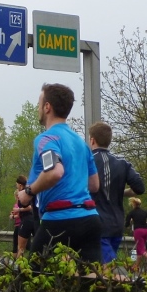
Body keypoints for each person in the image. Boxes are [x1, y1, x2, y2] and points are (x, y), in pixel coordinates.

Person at [17, 83, 102, 267]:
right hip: (90, 218)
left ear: (47, 107)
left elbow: (55, 171)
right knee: (90, 280)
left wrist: (28, 192)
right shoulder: (81, 142)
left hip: (59, 219)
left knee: (31, 277)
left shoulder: (47, 139)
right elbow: (94, 185)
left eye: (39, 103)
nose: (38, 108)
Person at [89, 121, 145, 265]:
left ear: (92, 140)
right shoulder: (122, 164)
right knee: (103, 269)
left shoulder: (88, 161)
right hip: (117, 224)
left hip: (97, 224)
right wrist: (119, 191)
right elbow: (139, 188)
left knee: (108, 269)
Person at [12, 175, 37, 258]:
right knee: (36, 246)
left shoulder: (24, 194)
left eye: (16, 184)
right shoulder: (29, 191)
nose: (16, 186)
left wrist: (18, 210)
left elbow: (30, 207)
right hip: (34, 219)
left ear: (20, 185)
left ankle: (19, 265)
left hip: (26, 220)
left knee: (20, 248)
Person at [126, 198, 147, 266]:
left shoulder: (132, 212)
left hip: (138, 231)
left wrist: (130, 222)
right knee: (139, 251)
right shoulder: (144, 212)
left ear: (133, 204)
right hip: (146, 230)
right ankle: (135, 267)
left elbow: (127, 224)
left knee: (141, 250)